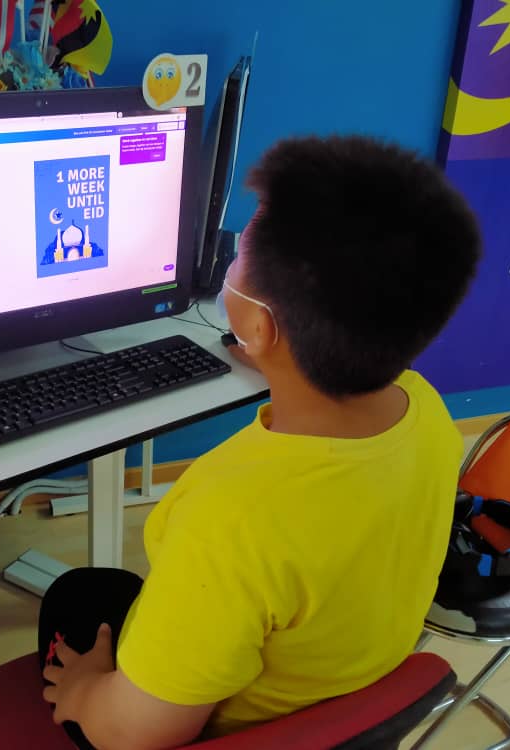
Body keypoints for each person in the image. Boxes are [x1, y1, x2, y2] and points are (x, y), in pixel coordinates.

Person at [39, 135, 482, 750]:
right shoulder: (425, 409)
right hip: (341, 684)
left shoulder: (232, 517)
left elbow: (137, 735)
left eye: (240, 250)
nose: (230, 261)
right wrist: (280, 358)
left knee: (71, 602)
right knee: (93, 590)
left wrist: (85, 691)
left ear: (258, 324)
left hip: (228, 731)